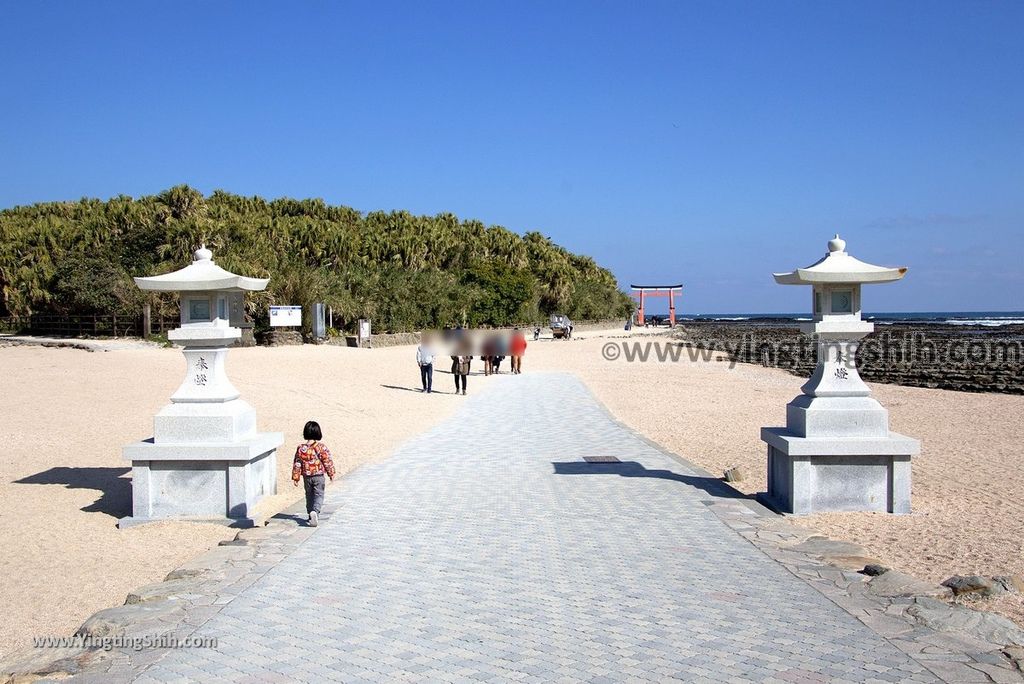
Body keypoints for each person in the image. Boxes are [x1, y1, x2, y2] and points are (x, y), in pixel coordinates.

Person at [291, 420, 335, 527]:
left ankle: (310, 514)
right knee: (319, 494)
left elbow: (297, 463)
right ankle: (315, 511)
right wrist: (331, 473)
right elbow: (327, 461)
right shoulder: (321, 447)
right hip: (319, 475)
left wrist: (296, 477)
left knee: (309, 495)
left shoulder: (301, 448)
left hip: (307, 476)